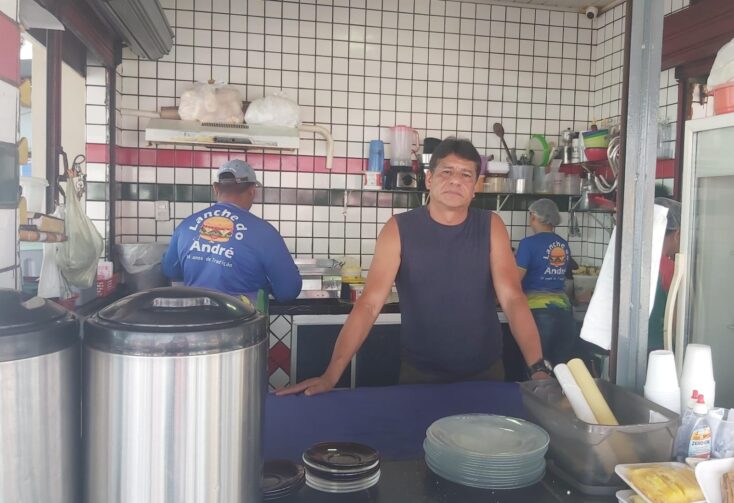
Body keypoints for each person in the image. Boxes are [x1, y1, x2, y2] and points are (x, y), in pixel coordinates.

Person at [278, 137, 549, 397]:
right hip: (420, 376)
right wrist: (330, 375)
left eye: (467, 174)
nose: (456, 180)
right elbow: (370, 304)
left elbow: (513, 298)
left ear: (476, 185)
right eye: (447, 172)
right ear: (429, 179)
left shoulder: (491, 226)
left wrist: (537, 369)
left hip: (486, 373)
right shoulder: (398, 229)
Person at [162, 159, 302, 305]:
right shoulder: (265, 233)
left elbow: (171, 271)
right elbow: (288, 291)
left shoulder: (186, 226)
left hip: (193, 323)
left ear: (215, 189)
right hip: (242, 324)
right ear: (252, 191)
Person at [515, 199, 578, 366]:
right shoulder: (563, 244)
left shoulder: (528, 244)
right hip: (565, 313)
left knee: (537, 369)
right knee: (560, 371)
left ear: (534, 216)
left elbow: (515, 278)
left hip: (539, 313)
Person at [648, 197, 681, 352]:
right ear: (677, 234)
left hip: (622, 349)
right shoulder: (670, 269)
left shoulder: (635, 262)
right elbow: (678, 322)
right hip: (658, 350)